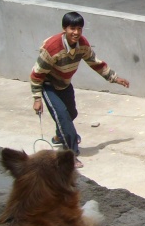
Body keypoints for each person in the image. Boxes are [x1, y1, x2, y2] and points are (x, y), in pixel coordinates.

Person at [31, 12, 130, 167]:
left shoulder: (82, 44)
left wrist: (115, 78)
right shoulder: (52, 48)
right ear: (64, 29)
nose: (76, 33)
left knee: (71, 114)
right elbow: (36, 74)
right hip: (48, 85)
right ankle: (70, 155)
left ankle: (59, 136)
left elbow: (95, 62)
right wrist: (37, 98)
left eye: (79, 29)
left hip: (65, 83)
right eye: (72, 28)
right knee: (64, 118)